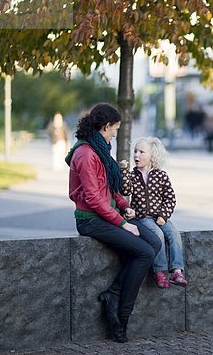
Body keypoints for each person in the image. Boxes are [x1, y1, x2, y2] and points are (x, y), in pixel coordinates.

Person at [65, 103, 161, 343]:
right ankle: (121, 317)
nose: (115, 135)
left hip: (107, 214)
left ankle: (113, 294)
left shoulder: (100, 149)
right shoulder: (86, 154)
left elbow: (108, 187)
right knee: (143, 253)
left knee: (154, 243)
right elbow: (94, 199)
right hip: (90, 220)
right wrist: (122, 223)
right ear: (105, 126)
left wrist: (123, 204)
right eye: (114, 130)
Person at [119, 136, 188, 289]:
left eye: (142, 152)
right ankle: (159, 271)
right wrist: (123, 171)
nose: (136, 155)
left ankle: (177, 271)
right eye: (135, 151)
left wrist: (164, 215)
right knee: (158, 235)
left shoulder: (161, 175)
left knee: (173, 234)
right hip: (142, 218)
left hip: (160, 217)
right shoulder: (132, 176)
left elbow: (170, 198)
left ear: (153, 156)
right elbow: (125, 190)